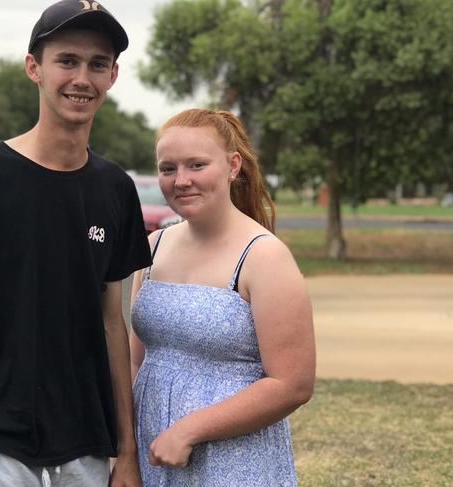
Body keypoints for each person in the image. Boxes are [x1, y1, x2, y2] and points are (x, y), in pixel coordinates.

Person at [0, 1, 151, 486]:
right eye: (67, 60)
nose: (82, 78)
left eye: (97, 64)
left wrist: (126, 452)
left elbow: (112, 324)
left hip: (86, 447)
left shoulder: (115, 189)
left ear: (112, 76)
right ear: (34, 68)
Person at [130, 109, 316, 486]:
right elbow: (135, 362)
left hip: (232, 462)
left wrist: (188, 430)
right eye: (168, 169)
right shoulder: (152, 246)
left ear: (233, 166)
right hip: (151, 452)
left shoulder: (264, 256)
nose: (181, 181)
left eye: (197, 165)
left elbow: (292, 384)